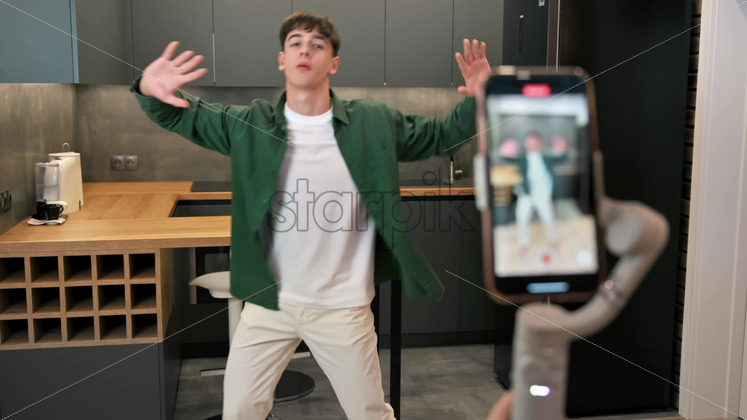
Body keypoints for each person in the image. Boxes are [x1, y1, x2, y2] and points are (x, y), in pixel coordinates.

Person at [131, 10, 490, 420]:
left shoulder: (372, 121)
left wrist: (478, 98)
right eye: (295, 43)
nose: (305, 50)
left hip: (343, 306)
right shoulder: (250, 124)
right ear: (282, 59)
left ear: (333, 63)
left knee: (370, 415)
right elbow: (179, 115)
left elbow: (441, 135)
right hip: (269, 304)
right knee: (240, 412)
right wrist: (147, 86)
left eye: (317, 44)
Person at [499, 132, 567, 250]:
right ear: (526, 143)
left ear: (540, 143)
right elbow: (506, 158)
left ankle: (554, 239)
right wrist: (505, 150)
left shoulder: (546, 156)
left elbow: (562, 158)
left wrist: (562, 149)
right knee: (522, 218)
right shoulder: (521, 158)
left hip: (542, 193)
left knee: (548, 217)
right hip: (526, 193)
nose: (533, 145)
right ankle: (524, 243)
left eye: (535, 142)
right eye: (531, 142)